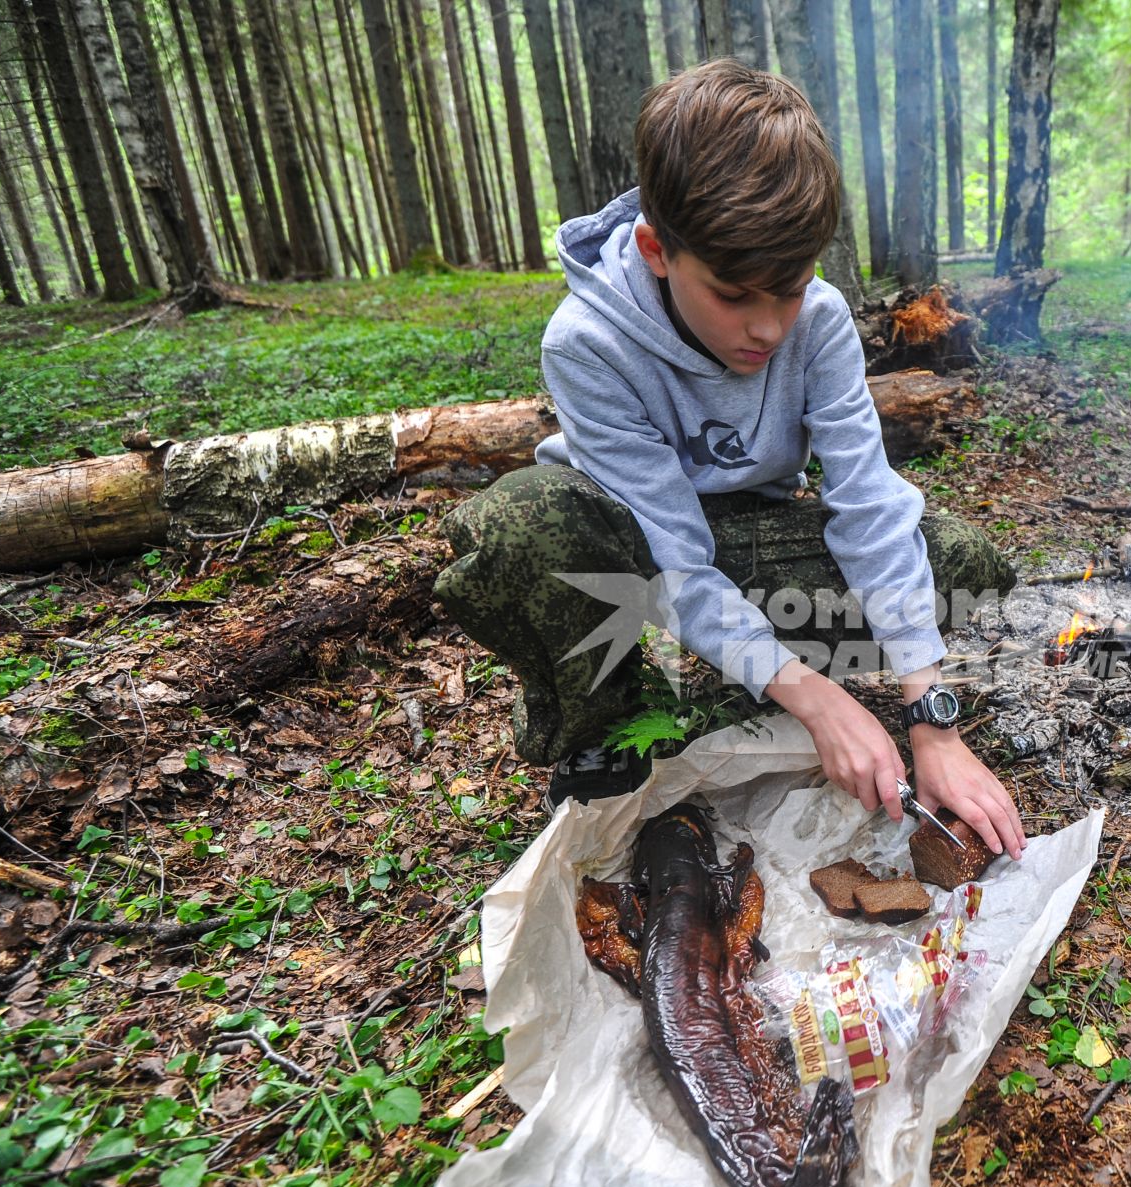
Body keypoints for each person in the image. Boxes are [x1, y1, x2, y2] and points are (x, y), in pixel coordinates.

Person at [433, 58, 1027, 856]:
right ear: (655, 249)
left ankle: (745, 695)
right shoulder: (589, 343)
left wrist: (930, 714)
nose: (769, 328)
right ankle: (602, 723)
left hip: (753, 533)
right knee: (519, 524)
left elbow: (869, 503)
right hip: (634, 552)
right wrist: (815, 698)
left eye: (789, 288)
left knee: (954, 557)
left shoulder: (816, 319)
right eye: (735, 294)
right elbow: (675, 561)